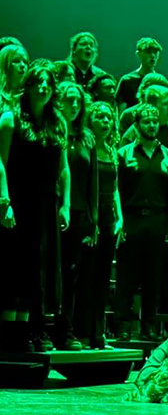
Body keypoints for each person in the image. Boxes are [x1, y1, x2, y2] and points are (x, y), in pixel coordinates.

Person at [0, 65, 69, 352]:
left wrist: (65, 203)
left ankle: (24, 334)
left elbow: (63, 168)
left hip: (45, 205)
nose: (43, 88)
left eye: (48, 83)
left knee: (34, 269)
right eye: (37, 82)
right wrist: (5, 203)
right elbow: (0, 163)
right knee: (12, 269)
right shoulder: (9, 119)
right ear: (27, 86)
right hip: (17, 202)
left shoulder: (58, 122)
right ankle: (7, 337)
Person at [122, 84, 168, 314]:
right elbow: (121, 180)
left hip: (163, 213)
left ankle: (159, 312)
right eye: (164, 104)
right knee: (131, 269)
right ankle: (126, 317)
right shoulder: (129, 141)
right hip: (134, 215)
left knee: (161, 265)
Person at [115, 105, 168, 341]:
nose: (152, 125)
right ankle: (122, 324)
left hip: (158, 220)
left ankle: (149, 325)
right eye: (147, 121)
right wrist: (118, 221)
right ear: (137, 125)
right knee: (127, 275)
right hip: (131, 219)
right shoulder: (123, 154)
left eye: (155, 121)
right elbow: (118, 190)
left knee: (154, 276)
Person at [74, 101, 122, 349]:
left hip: (108, 217)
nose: (105, 121)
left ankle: (98, 334)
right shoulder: (86, 145)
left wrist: (120, 217)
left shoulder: (113, 150)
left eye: (108, 117)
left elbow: (115, 190)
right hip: (90, 215)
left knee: (103, 277)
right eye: (100, 117)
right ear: (90, 120)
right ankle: (81, 332)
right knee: (86, 275)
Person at [55, 81, 97, 351]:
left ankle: (67, 330)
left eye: (77, 102)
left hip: (80, 213)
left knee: (72, 275)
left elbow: (93, 182)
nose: (73, 106)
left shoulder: (86, 138)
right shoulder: (54, 133)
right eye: (68, 100)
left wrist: (93, 221)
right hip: (52, 210)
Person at [115, 37, 162, 113]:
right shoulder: (127, 80)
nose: (153, 55)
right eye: (148, 52)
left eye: (155, 52)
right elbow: (121, 110)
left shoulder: (160, 81)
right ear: (138, 54)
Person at [0, 44, 29, 111]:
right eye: (16, 61)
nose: (22, 65)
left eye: (25, 62)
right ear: (4, 65)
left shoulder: (31, 98)